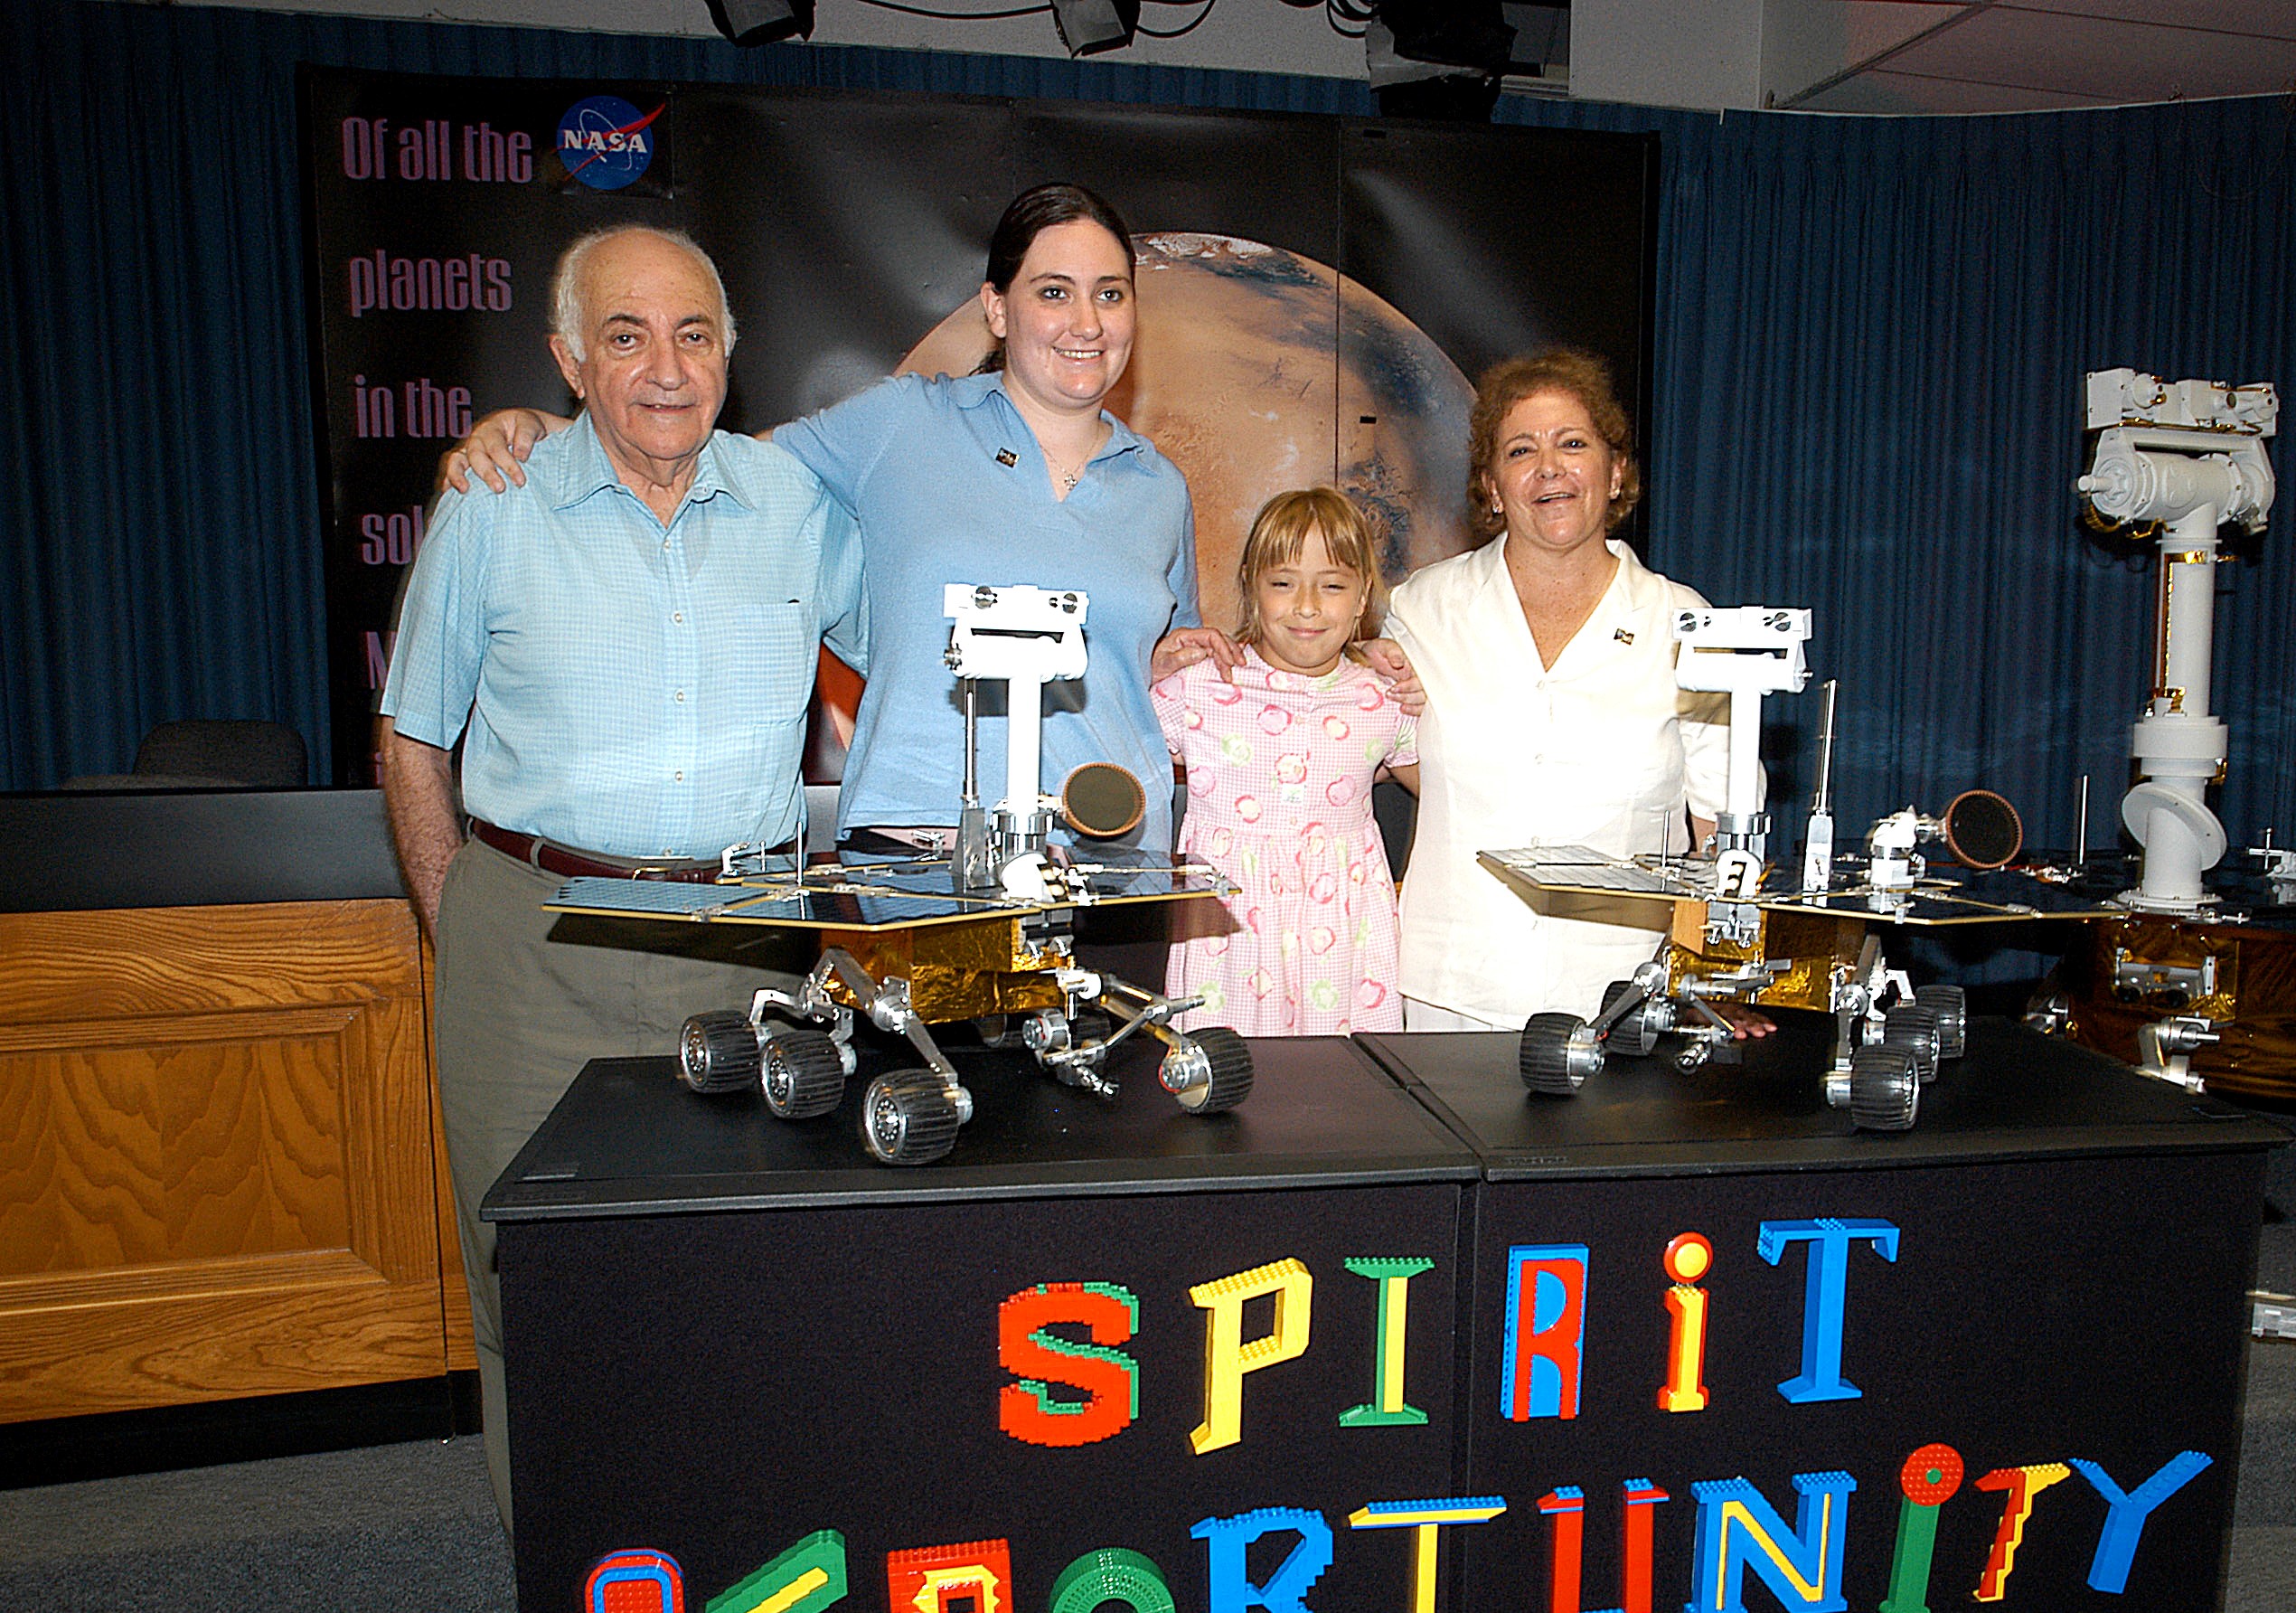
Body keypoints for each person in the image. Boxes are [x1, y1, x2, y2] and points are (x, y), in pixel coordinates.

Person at [379, 223, 865, 1530]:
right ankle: (566, 1592)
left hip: (746, 944)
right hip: (531, 943)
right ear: (568, 360)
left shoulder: (796, 506)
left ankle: (733, 1567)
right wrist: (465, 927)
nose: (665, 367)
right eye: (626, 335)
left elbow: (947, 637)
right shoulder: (495, 500)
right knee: (528, 1282)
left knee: (745, 1278)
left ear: (732, 357)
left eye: (694, 333)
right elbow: (413, 735)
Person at [447, 184, 1228, 869]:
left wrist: (1165, 659)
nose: (1085, 322)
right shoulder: (902, 422)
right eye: (1053, 292)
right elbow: (703, 455)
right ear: (996, 306)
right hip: (920, 855)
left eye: (1111, 293)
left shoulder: (1158, 486)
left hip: (1114, 857)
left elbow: (1169, 673)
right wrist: (550, 429)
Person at [1383, 347, 1766, 1033]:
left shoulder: (1686, 626)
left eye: (1574, 444)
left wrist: (1720, 972)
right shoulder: (1422, 609)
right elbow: (1371, 740)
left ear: (1615, 472)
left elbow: (1721, 825)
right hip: (1451, 995)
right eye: (1521, 450)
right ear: (1492, 487)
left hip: (1624, 999)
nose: (1549, 467)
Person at [1153, 488, 1416, 1034]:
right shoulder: (1198, 688)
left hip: (1344, 940)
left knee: (1342, 1096)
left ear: (1364, 594)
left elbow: (1455, 789)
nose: (1307, 606)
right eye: (1282, 583)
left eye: (1333, 585)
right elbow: (1111, 757)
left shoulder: (1383, 698)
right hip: (1226, 940)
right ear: (1251, 583)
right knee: (1221, 1088)